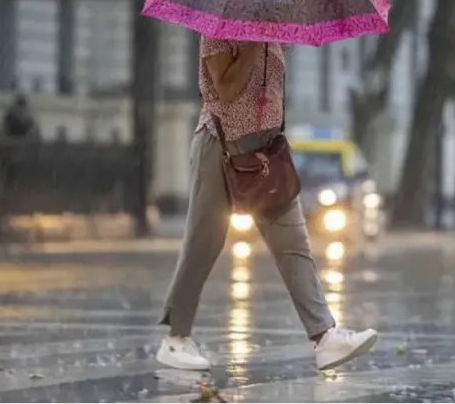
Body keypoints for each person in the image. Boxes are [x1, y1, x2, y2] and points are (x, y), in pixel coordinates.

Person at [156, 36, 378, 371]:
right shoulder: (219, 27)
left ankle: (325, 337)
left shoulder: (273, 29)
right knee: (204, 242)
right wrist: (252, 45)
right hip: (220, 148)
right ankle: (175, 339)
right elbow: (226, 90)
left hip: (264, 151)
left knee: (294, 244)